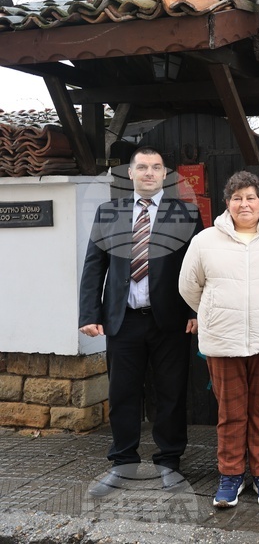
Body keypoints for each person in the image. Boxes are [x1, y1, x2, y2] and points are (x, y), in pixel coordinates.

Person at [79, 147, 202, 496]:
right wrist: (89, 313)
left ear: (165, 174)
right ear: (130, 173)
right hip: (123, 319)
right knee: (122, 393)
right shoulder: (109, 213)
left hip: (171, 320)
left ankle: (169, 462)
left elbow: (199, 267)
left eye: (156, 167)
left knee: (171, 393)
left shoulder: (185, 214)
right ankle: (122, 462)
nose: (149, 173)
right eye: (143, 167)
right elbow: (94, 265)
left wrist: (195, 311)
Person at [179, 172, 259, 508]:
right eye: (237, 198)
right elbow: (188, 286)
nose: (244, 204)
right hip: (223, 340)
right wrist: (213, 312)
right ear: (227, 203)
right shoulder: (205, 240)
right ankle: (230, 475)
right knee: (231, 413)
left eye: (251, 197)